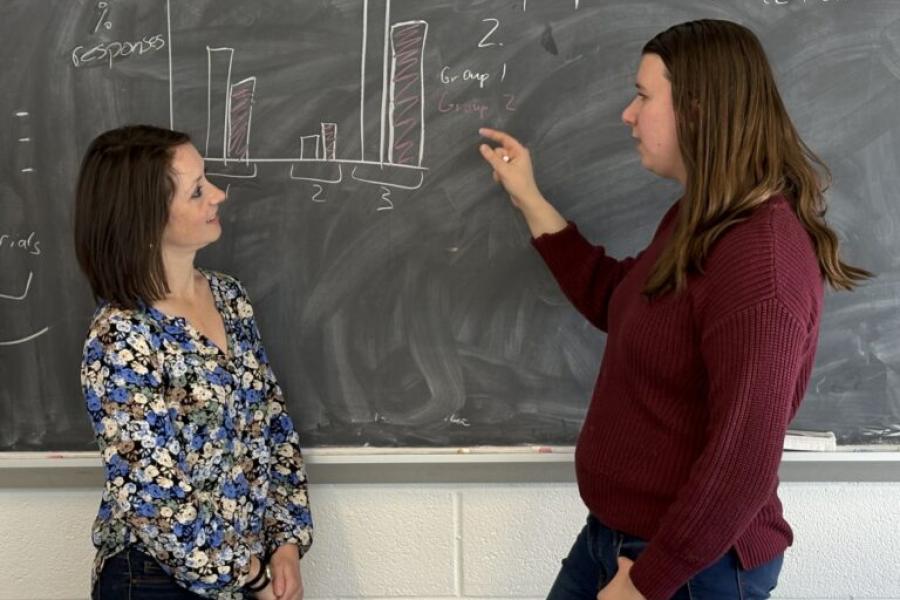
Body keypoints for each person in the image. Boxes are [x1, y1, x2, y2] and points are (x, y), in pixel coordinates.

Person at [478, 19, 870, 600]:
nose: (627, 115)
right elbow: (620, 301)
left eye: (642, 96)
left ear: (696, 108)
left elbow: (743, 461)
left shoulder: (760, 262)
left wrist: (647, 584)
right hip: (615, 543)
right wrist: (530, 199)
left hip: (690, 568)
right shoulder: (703, 220)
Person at [75, 125, 312, 600]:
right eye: (198, 190)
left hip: (245, 572)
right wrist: (252, 575)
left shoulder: (229, 297)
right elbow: (154, 500)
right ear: (147, 219)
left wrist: (284, 542)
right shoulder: (121, 337)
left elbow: (271, 425)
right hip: (155, 582)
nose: (219, 196)